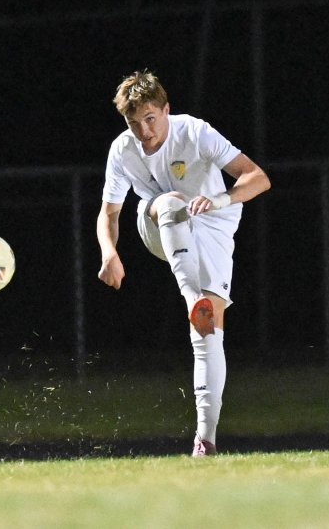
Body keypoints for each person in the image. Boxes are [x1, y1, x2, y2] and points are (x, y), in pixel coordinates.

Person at [96, 70, 271, 456]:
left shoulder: (194, 132)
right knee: (170, 203)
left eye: (150, 119)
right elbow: (109, 213)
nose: (144, 131)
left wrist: (219, 200)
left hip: (212, 230)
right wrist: (110, 252)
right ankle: (193, 297)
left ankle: (205, 441)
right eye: (133, 122)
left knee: (208, 336)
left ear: (166, 110)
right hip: (158, 225)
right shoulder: (123, 149)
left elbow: (257, 178)